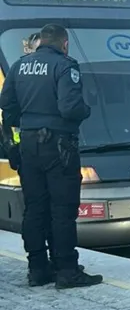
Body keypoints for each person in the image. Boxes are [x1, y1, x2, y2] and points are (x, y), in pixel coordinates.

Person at [0, 25, 102, 290]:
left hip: (29, 147)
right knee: (63, 209)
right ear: (64, 44)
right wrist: (86, 110)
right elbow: (70, 108)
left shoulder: (19, 66)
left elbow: (7, 106)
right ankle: (67, 269)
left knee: (35, 208)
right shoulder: (65, 66)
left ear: (40, 42)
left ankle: (37, 269)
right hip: (59, 147)